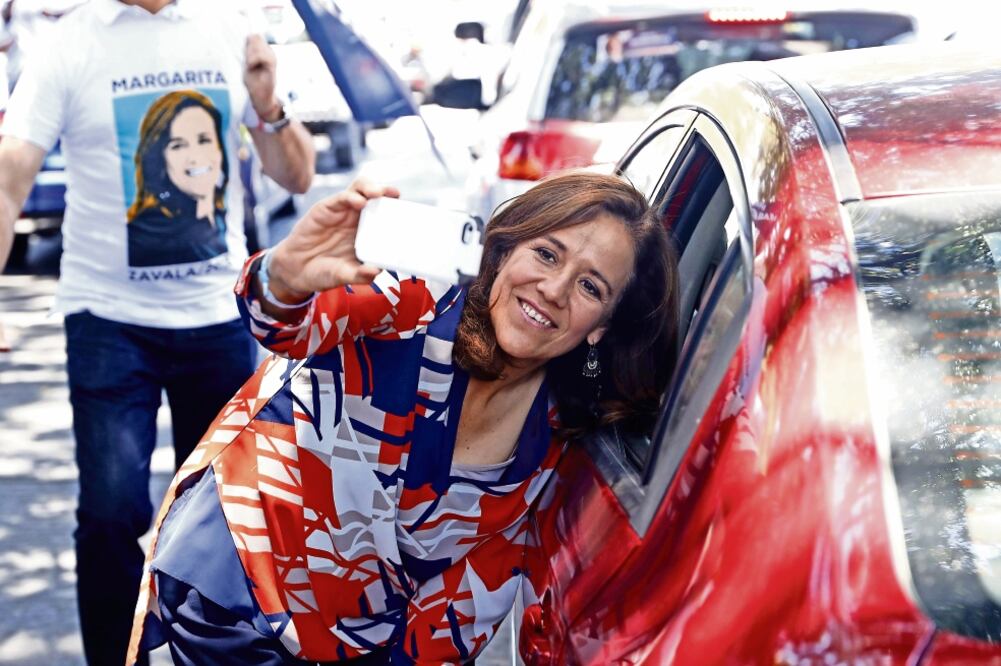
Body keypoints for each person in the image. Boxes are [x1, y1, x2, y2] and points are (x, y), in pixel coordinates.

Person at [127, 172, 679, 664]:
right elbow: (288, 321)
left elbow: (464, 603)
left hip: (351, 643)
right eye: (547, 255)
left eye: (590, 287)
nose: (553, 290)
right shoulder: (417, 297)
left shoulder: (556, 443)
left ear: (602, 326)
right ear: (505, 249)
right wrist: (285, 276)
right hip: (240, 586)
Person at [0, 0, 316, 663]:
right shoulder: (71, 43)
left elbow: (296, 174)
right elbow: (9, 182)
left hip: (219, 319)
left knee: (227, 520)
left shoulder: (228, 28)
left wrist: (269, 103)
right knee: (111, 516)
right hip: (109, 323)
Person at [127, 90, 229, 267]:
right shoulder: (147, 234)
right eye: (178, 146)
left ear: (219, 147)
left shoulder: (219, 217)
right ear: (160, 159)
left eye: (204, 140)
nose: (195, 157)